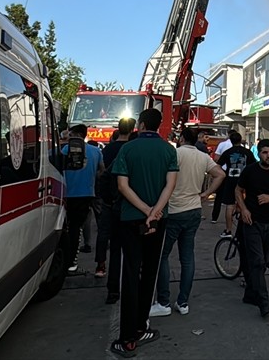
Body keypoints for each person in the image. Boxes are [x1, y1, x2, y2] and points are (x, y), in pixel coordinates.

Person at [109, 109, 179, 358]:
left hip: (130, 219)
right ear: (159, 126)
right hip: (158, 221)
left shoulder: (127, 149)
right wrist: (155, 212)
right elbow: (170, 185)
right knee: (150, 271)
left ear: (140, 124)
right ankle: (141, 327)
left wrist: (144, 209)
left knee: (130, 273)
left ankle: (127, 338)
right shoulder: (169, 150)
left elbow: (122, 185)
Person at [150, 129, 225, 318]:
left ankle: (164, 301)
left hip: (174, 211)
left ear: (181, 139)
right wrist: (207, 193)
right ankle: (183, 302)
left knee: (163, 255)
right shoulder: (202, 157)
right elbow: (220, 174)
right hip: (194, 210)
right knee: (187, 257)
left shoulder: (174, 154)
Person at [236, 138, 269, 319]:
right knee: (258, 261)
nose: (268, 155)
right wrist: (243, 209)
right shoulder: (250, 171)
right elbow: (238, 190)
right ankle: (264, 303)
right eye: (265, 152)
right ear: (258, 153)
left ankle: (250, 294)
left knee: (262, 262)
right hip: (252, 223)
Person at [99, 117, 136, 292]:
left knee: (113, 244)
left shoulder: (107, 149)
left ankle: (111, 284)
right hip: (132, 205)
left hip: (112, 204)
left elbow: (103, 176)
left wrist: (107, 199)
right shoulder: (131, 150)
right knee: (131, 249)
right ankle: (130, 286)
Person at [60, 124, 102, 273]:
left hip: (68, 194)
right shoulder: (96, 151)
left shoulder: (65, 150)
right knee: (76, 228)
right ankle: (72, 261)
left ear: (77, 135)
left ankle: (69, 261)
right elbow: (101, 170)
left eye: (71, 135)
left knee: (69, 228)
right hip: (86, 194)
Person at [216, 131, 254, 237]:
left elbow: (218, 165)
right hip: (245, 182)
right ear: (240, 140)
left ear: (231, 141)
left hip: (230, 181)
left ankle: (228, 230)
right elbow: (253, 166)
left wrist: (224, 174)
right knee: (245, 204)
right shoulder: (247, 152)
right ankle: (244, 228)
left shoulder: (227, 152)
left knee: (229, 206)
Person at [211, 128, 236, 223]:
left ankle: (214, 217)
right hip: (234, 173)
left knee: (219, 196)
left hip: (222, 172)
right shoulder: (240, 146)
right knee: (234, 195)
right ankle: (232, 216)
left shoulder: (222, 144)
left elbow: (216, 158)